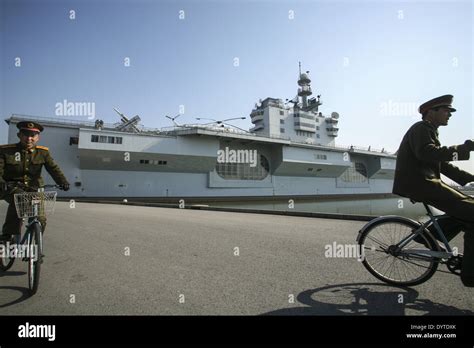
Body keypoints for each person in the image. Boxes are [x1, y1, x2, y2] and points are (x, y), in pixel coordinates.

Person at [392, 94, 474, 287]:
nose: (449, 115)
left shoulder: (430, 130)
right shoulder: (420, 128)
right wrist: (461, 149)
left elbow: (441, 164)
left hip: (427, 183)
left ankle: (426, 236)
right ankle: (471, 274)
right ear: (431, 112)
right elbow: (426, 153)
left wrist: (469, 178)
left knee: (466, 210)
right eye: (446, 110)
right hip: (421, 184)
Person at [0, 121, 70, 242]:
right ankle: (7, 236)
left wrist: (63, 181)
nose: (29, 138)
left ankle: (37, 246)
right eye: (26, 134)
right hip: (10, 187)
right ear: (19, 135)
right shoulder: (6, 151)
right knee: (20, 199)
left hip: (34, 189)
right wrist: (2, 182)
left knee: (41, 218)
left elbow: (53, 169)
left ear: (38, 137)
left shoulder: (43, 153)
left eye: (33, 135)